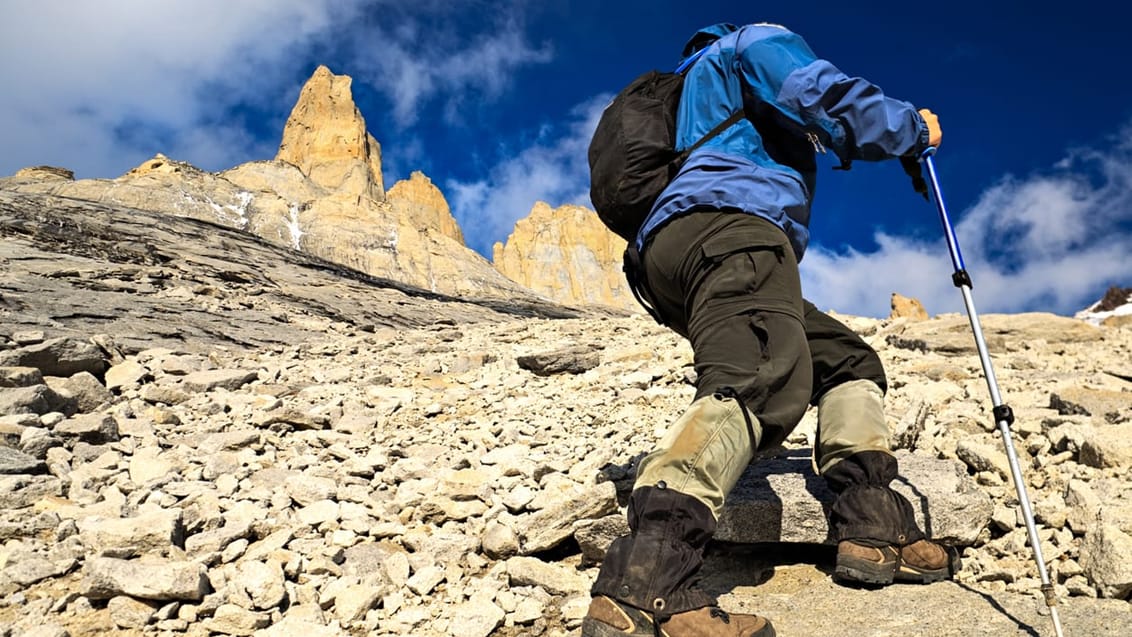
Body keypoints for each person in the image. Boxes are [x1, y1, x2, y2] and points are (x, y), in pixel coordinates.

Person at [582, 22, 954, 637]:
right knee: (760, 375)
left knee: (845, 360)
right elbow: (826, 97)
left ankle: (872, 521)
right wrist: (912, 128)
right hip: (733, 228)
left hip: (676, 254)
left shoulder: (687, 89)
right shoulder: (752, 43)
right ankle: (647, 585)